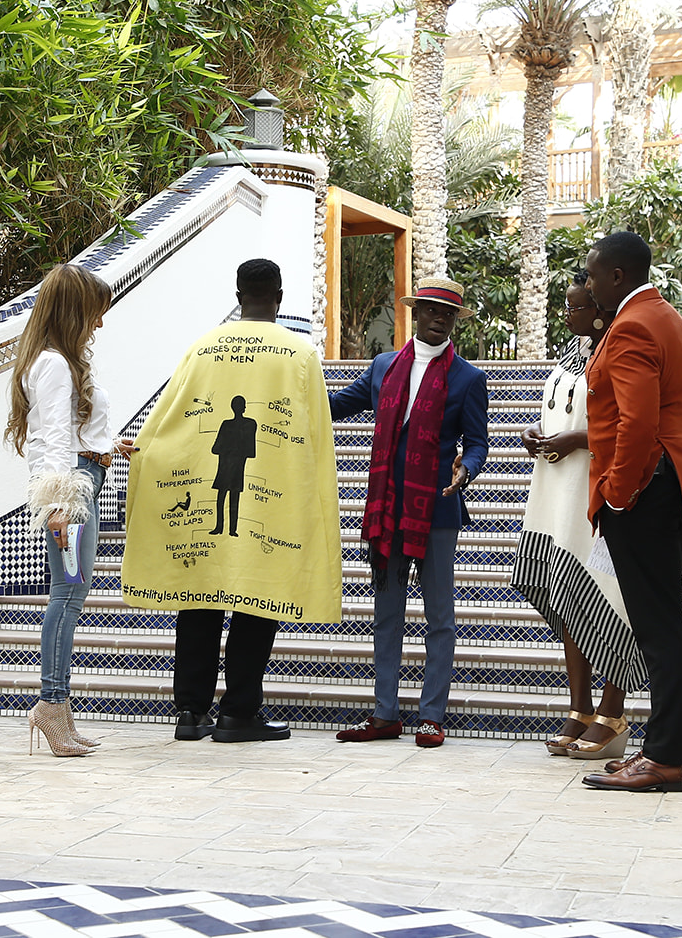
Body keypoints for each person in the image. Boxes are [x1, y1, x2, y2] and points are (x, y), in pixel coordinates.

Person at [120, 258, 342, 743]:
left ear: (238, 296)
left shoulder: (202, 348)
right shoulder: (299, 353)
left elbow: (167, 420)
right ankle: (239, 713)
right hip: (269, 502)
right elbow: (315, 434)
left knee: (198, 599)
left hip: (203, 494)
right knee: (258, 601)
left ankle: (190, 713)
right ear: (279, 296)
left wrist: (147, 457)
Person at [330, 278, 489, 749]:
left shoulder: (468, 378)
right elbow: (337, 405)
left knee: (439, 616)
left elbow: (477, 443)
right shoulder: (383, 366)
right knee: (387, 614)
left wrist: (467, 468)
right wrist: (294, 395)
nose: (440, 318)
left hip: (437, 508)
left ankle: (432, 716)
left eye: (449, 313)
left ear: (455, 321)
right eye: (432, 310)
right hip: (388, 508)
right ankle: (385, 714)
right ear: (415, 313)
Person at [577, 232, 682, 793]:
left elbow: (637, 422)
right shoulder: (669, 319)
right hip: (675, 482)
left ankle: (663, 758)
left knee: (658, 626)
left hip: (647, 488)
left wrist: (616, 493)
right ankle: (670, 742)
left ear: (616, 276)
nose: (587, 286)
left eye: (591, 275)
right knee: (664, 620)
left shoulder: (631, 325)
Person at [514, 273, 645, 760]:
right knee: (570, 599)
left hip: (598, 488)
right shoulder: (573, 352)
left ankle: (613, 713)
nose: (566, 315)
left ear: (599, 309)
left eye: (574, 307)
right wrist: (536, 434)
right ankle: (580, 708)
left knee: (608, 597)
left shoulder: (619, 349)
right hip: (557, 492)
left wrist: (576, 440)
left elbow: (634, 424)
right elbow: (564, 412)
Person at [6, 262, 133, 758]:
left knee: (71, 594)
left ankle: (61, 709)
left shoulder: (53, 360)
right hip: (72, 493)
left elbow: (65, 431)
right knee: (68, 594)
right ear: (73, 310)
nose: (99, 322)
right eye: (95, 312)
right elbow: (54, 437)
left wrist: (107, 445)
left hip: (80, 480)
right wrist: (61, 504)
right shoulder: (55, 364)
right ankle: (51, 705)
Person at [210, 396, 256, 536]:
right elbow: (250, 451)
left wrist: (228, 448)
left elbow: (216, 448)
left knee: (225, 499)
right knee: (230, 499)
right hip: (231, 467)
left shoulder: (232, 425)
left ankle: (225, 528)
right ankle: (229, 529)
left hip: (228, 466)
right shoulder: (248, 424)